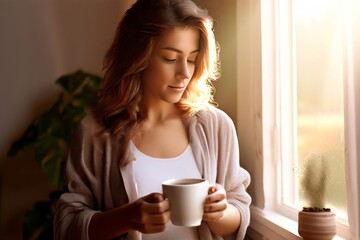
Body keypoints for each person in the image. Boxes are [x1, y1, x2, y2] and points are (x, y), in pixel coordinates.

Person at [54, 0, 251, 239]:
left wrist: (221, 212)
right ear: (138, 57)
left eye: (191, 59)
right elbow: (66, 226)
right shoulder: (95, 133)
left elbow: (238, 213)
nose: (185, 73)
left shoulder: (217, 126)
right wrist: (125, 219)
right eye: (170, 58)